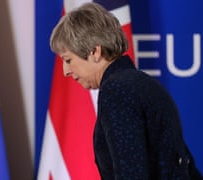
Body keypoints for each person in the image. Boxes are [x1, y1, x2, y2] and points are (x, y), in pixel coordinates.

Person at [49, 2, 202, 179]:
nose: (66, 71)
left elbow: (131, 173)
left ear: (95, 52)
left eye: (68, 60)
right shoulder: (141, 83)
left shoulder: (117, 91)